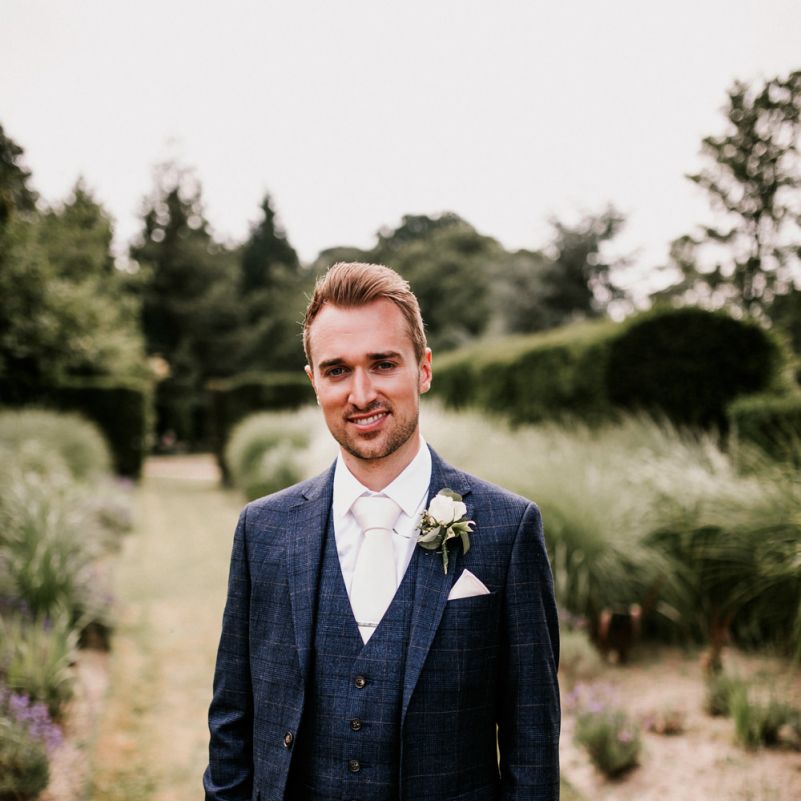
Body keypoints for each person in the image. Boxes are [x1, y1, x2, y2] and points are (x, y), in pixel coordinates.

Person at [204, 262, 560, 801]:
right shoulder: (264, 530)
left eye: (383, 363)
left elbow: (532, 745)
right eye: (337, 370)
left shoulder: (508, 530)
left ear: (423, 369)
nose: (361, 393)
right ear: (313, 382)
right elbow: (232, 723)